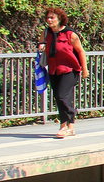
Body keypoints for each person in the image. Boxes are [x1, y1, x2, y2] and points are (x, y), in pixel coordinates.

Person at [37, 8, 89, 138]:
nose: (49, 20)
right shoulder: (46, 32)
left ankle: (69, 118)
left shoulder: (70, 34)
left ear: (60, 19)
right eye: (48, 18)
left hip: (69, 70)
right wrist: (41, 45)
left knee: (62, 96)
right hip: (54, 70)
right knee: (60, 99)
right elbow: (41, 43)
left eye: (52, 18)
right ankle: (67, 126)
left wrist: (85, 69)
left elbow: (81, 51)